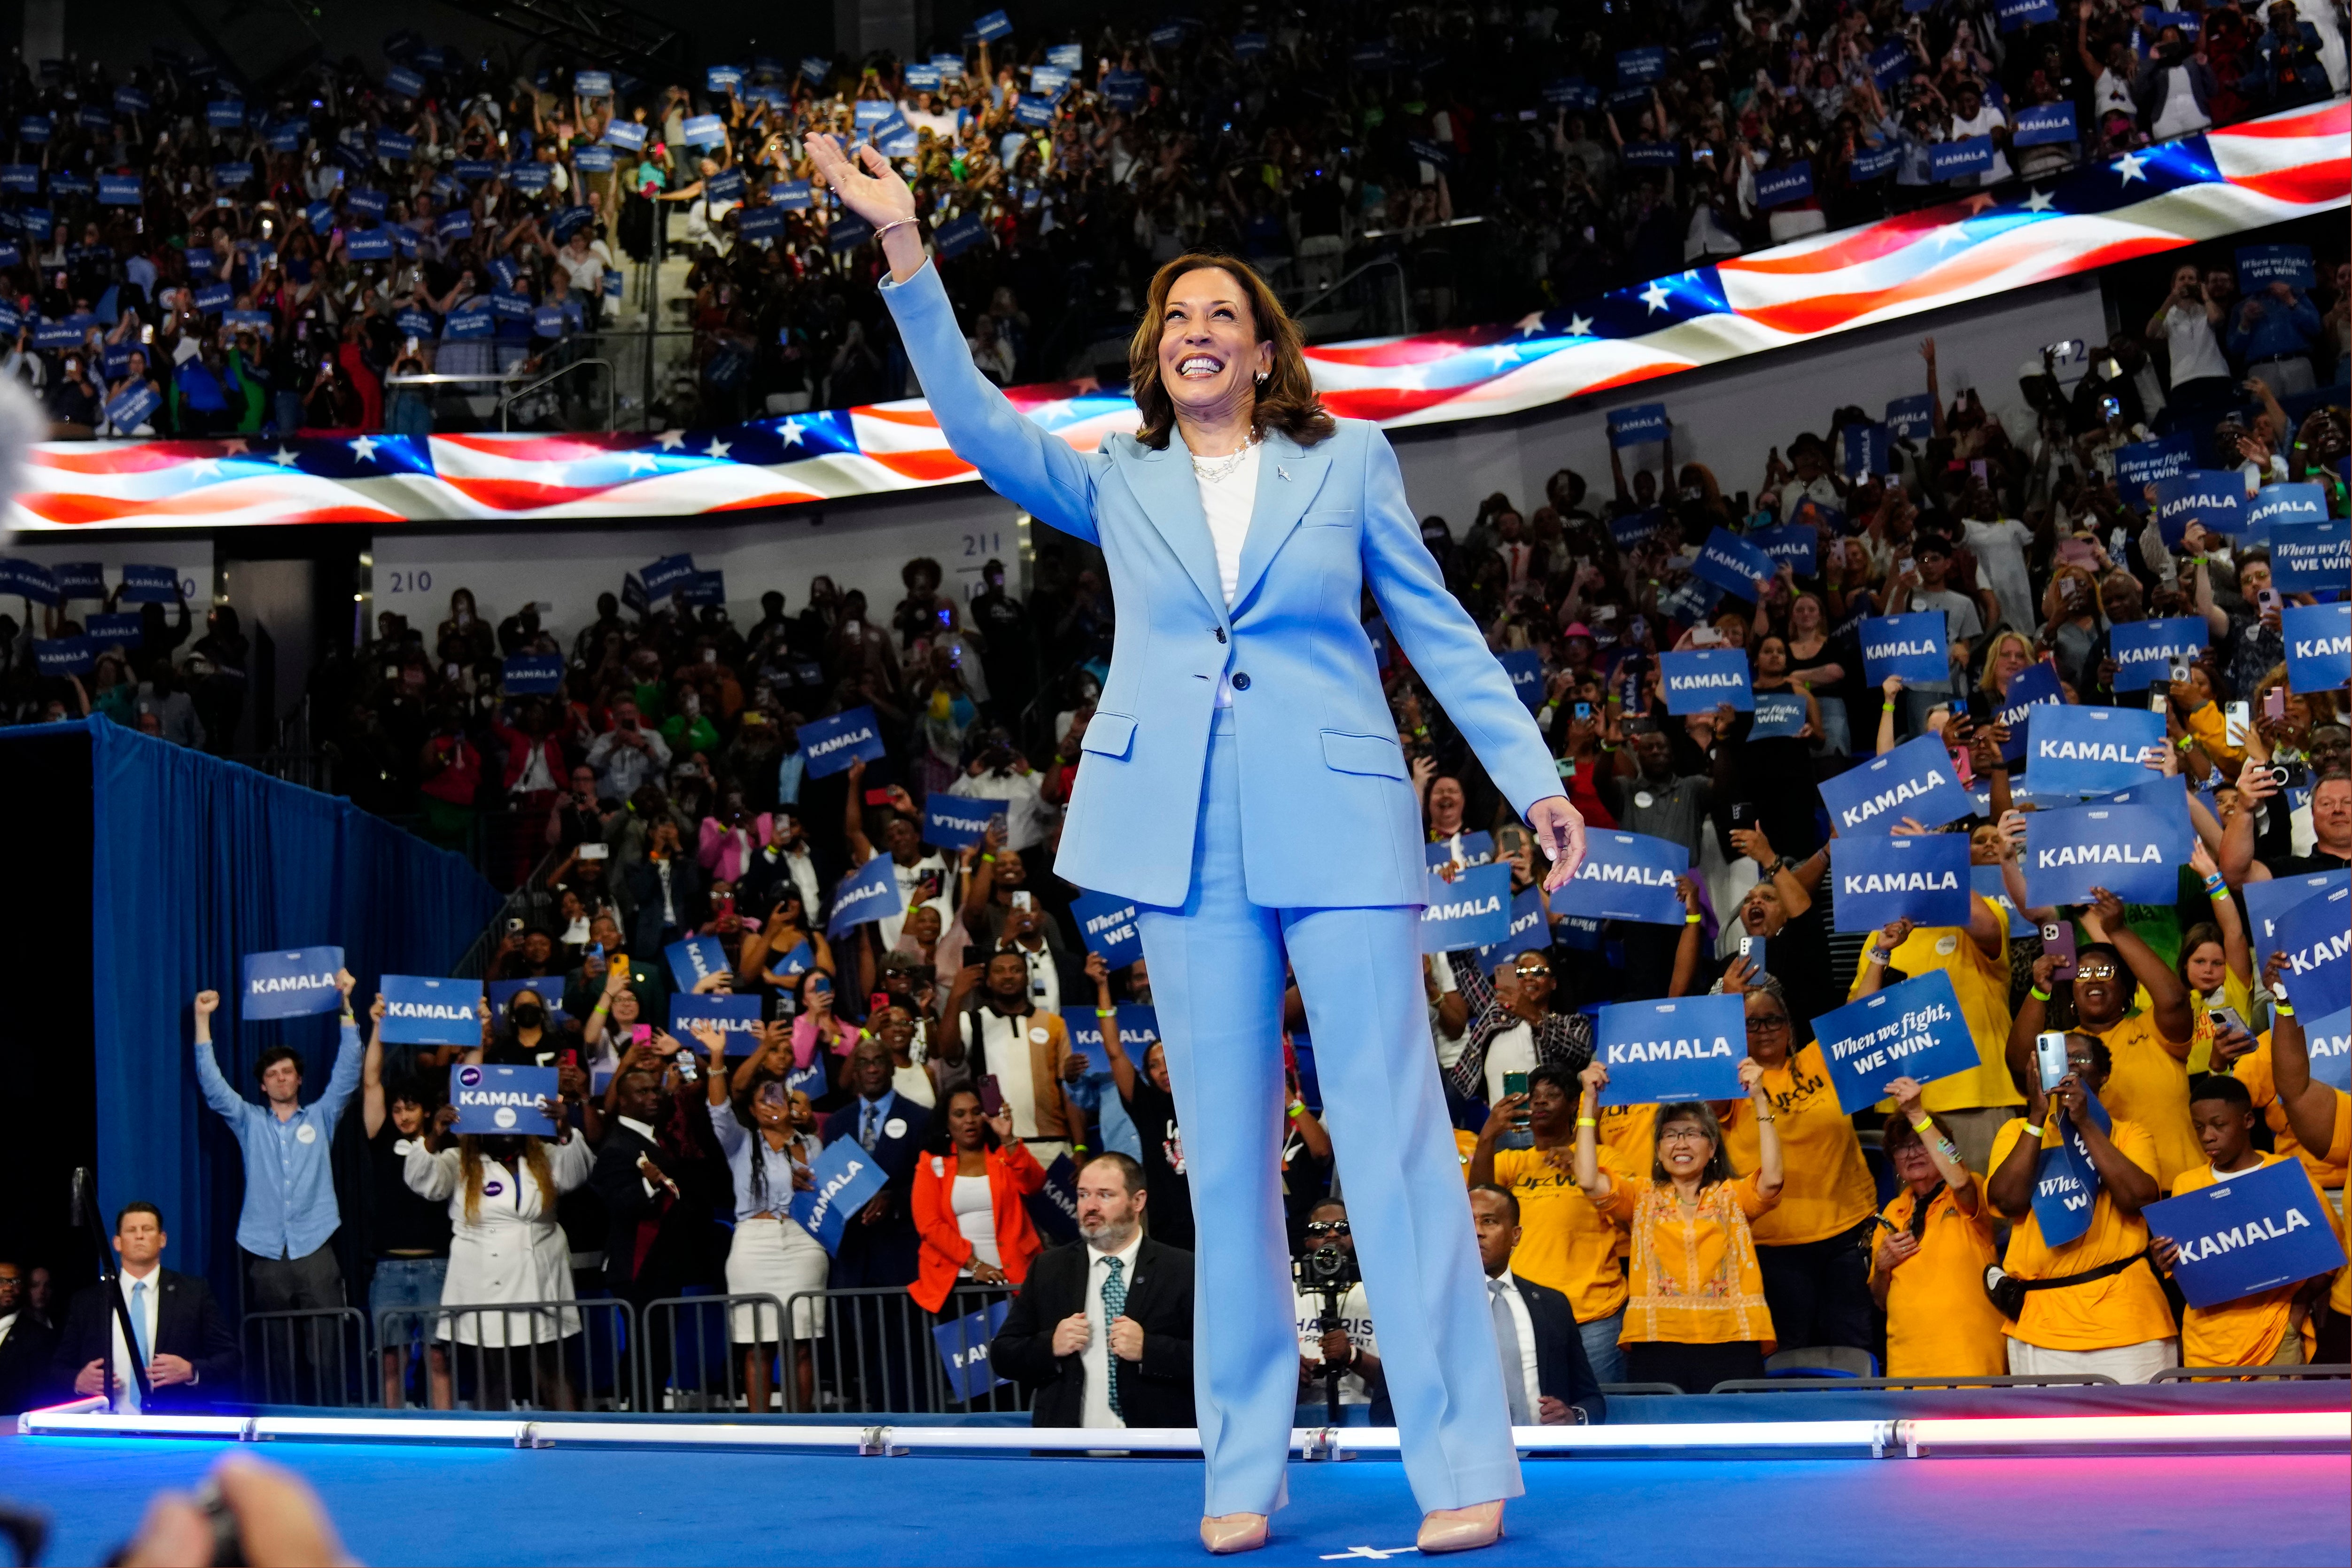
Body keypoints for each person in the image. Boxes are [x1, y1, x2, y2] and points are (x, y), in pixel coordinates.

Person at [813, 133, 1586, 1556]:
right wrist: (907, 248)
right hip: (1181, 843)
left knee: (1397, 1141)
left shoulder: (1348, 458)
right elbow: (979, 424)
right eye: (1175, 318)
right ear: (1154, 354)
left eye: (1221, 314)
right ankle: (1240, 1466)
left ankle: (1461, 1462)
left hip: (1344, 821)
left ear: (1265, 348)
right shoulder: (1119, 478)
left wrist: (1528, 774)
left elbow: (1435, 626)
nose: (1196, 332)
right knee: (1220, 1165)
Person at [1571, 1059, 1785, 1392]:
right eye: (1670, 1135)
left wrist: (1759, 1099)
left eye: (1692, 1134)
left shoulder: (1731, 1195)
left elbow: (1772, 1180)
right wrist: (1588, 1103)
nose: (1680, 1144)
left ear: (1713, 1147)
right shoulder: (1640, 1195)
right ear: (1658, 1149)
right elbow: (1586, 1179)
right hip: (1657, 1343)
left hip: (1732, 1341)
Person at [191, 978, 361, 1395]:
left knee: (326, 1348)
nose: (282, 1078)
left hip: (316, 1246)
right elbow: (214, 1088)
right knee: (275, 1350)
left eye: (288, 1072)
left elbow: (349, 1069)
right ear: (263, 1086)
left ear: (299, 1080)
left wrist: (346, 1003)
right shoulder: (249, 1121)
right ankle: (280, 1423)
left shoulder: (321, 1116)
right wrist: (201, 1019)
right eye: (273, 1074)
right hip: (265, 1249)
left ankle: (331, 1423)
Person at [1985, 1034, 2177, 1383]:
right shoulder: (2017, 1132)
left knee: (2139, 1438)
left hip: (2127, 1323)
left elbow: (2138, 1199)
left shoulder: (2129, 1134)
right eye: (2061, 1058)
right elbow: (2007, 1201)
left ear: (2103, 1075)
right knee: (2047, 1440)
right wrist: (2037, 1116)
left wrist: (2085, 1123)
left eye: (2080, 1059)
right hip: (2039, 1327)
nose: (2069, 1065)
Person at [403, 1080, 596, 1410]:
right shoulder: (460, 1161)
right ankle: (491, 1455)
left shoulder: (544, 1158)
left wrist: (565, 1129)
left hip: (540, 1277)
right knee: (493, 1377)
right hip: (484, 1283)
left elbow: (577, 1172)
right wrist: (435, 1134)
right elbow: (421, 1181)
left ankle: (573, 1443)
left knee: (552, 1370)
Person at [1716, 966, 1877, 1354]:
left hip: (1846, 1232)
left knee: (1854, 1343)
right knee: (1788, 1350)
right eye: (1751, 1023)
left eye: (1773, 1019)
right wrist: (1725, 1004)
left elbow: (1861, 1014)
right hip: (1774, 1242)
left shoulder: (1817, 1061)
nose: (1765, 1028)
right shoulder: (1732, 1082)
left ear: (1788, 1026)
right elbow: (1709, 1059)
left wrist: (1879, 954)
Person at [991, 1151, 1197, 1429]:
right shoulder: (1050, 1268)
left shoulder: (1182, 1269)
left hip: (1156, 1452)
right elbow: (1004, 1355)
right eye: (1084, 1194)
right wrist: (1050, 1345)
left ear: (1138, 1202)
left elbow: (1216, 1362)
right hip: (1070, 1456)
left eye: (1105, 1195)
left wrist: (1150, 1349)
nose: (1090, 1206)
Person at [2151, 1074, 2342, 1370]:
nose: (2208, 1136)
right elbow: (2190, 1270)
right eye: (2199, 1127)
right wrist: (2167, 1260)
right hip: (2205, 1343)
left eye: (2219, 1125)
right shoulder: (2186, 1184)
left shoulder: (2284, 1173)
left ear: (2248, 1121)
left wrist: (2299, 1306)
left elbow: (2331, 1251)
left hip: (2275, 1336)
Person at [2010, 897, 2199, 1192]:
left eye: (2106, 972)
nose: (2093, 980)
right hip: (2099, 1202)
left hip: (2178, 1189)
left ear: (2127, 988)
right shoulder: (2060, 1047)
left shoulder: (2154, 1031)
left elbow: (2175, 1000)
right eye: (2082, 974)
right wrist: (2039, 991)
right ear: (2071, 991)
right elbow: (2019, 1064)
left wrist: (2118, 930)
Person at [1464, 1065, 1629, 1386]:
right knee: (1538, 1412)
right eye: (1535, 1097)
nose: (1540, 1103)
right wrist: (1487, 1136)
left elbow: (1629, 1217)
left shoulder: (1605, 1156)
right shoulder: (1513, 1162)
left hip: (1595, 1313)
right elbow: (1478, 1201)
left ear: (1572, 1106)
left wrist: (1584, 1168)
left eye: (1552, 1095)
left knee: (1599, 1414)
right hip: (1529, 1311)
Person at [694, 1024, 828, 1413]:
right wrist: (717, 1057)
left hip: (804, 1245)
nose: (772, 1105)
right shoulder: (740, 1143)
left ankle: (804, 1430)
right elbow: (718, 1109)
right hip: (753, 1244)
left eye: (778, 1099)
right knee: (757, 1345)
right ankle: (761, 1430)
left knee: (801, 1344)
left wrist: (812, 1183)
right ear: (752, 1110)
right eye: (763, 1101)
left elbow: (830, 1195)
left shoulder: (810, 1145)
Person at [1871, 1079, 2008, 1379]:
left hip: (1969, 1357)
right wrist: (1882, 1268)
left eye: (1921, 1143)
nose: (1912, 1154)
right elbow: (1880, 1300)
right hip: (1907, 1362)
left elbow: (1958, 1180)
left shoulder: (1968, 1189)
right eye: (1901, 1149)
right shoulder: (1892, 1213)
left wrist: (1917, 1114)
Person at [360, 997, 454, 1411]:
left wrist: (477, 1034)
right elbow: (372, 1082)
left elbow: (471, 1082)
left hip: (438, 1264)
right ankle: (391, 1432)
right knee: (391, 1361)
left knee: (439, 1358)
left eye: (410, 1108)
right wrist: (378, 1026)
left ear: (427, 1110)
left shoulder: (443, 1143)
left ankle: (448, 1436)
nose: (402, 1115)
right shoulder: (381, 1135)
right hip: (390, 1267)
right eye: (397, 1109)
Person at [56, 1203, 238, 1411]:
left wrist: (191, 1371)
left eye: (148, 1229)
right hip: (105, 1429)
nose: (140, 1236)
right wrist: (78, 1381)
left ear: (163, 1239)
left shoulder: (193, 1293)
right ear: (117, 1243)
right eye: (131, 1230)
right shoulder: (88, 1301)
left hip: (172, 1427)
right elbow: (58, 1367)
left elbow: (230, 1358)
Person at [1467, 1185, 1604, 1426]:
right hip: (1461, 1461)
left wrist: (1574, 1416)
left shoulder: (1553, 1306)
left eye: (1490, 1222)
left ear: (1516, 1235)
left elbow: (1591, 1398)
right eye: (1467, 1221)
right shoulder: (1431, 1309)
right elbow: (1388, 1408)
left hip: (1546, 1459)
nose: (1477, 1231)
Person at [910, 1085, 1050, 1317]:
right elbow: (929, 1225)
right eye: (959, 1114)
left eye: (977, 1112)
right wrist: (975, 1265)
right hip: (955, 1281)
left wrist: (1008, 1139)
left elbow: (1034, 1184)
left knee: (1017, 1351)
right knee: (964, 1353)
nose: (970, 1120)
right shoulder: (931, 1162)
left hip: (1013, 1277)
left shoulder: (1005, 1154)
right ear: (946, 1122)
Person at [939, 948, 1085, 1166]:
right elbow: (948, 1052)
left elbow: (1070, 1091)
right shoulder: (974, 1021)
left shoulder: (1055, 1024)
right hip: (995, 1145)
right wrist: (956, 996)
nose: (1008, 976)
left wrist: (1080, 1147)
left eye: (1016, 970)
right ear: (988, 981)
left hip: (1052, 1145)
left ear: (1027, 978)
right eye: (999, 971)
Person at [820, 1037, 926, 1289]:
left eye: (879, 1061)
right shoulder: (837, 1124)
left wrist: (895, 1198)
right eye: (864, 1063)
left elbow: (930, 1183)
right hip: (851, 1256)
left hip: (901, 1251)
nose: (872, 1069)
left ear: (892, 1068)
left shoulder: (921, 1119)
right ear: (855, 1072)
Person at [0, 1258, 57, 1413]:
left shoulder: (39, 1337)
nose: (8, 1288)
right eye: (2, 1281)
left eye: (15, 1281)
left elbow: (41, 1397)